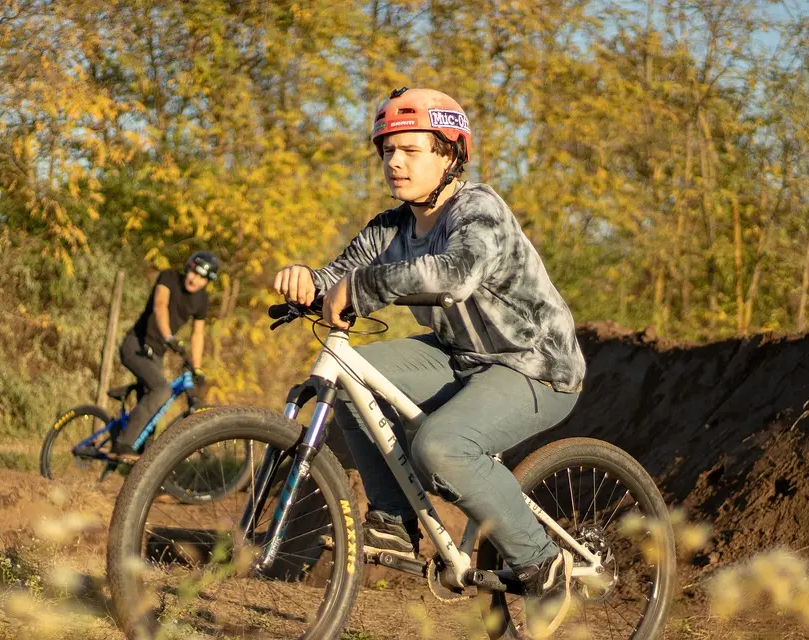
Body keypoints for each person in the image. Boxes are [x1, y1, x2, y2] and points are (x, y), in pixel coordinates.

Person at [273, 88, 586, 623]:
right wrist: (305, 281)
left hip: (535, 365)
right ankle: (394, 523)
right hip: (460, 356)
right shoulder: (390, 229)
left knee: (441, 447)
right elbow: (336, 278)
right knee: (353, 373)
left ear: (449, 153)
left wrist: (363, 287)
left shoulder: (479, 210)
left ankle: (542, 563)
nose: (394, 162)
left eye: (410, 150)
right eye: (387, 151)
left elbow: (457, 274)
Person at [106, 251, 217, 457]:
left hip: (156, 355)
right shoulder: (169, 277)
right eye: (194, 272)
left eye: (203, 277)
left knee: (154, 412)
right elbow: (160, 306)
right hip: (136, 346)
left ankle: (137, 465)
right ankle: (123, 443)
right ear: (188, 269)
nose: (195, 279)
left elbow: (198, 333)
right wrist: (169, 338)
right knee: (162, 390)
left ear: (208, 281)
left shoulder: (201, 300)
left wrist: (198, 367)